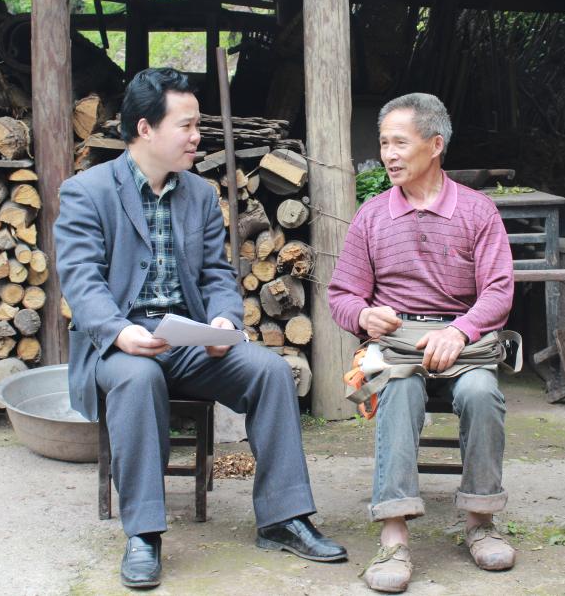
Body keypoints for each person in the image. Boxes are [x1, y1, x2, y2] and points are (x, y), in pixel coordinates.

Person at [55, 67, 347, 589]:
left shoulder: (199, 194)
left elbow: (216, 274)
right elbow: (81, 279)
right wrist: (120, 332)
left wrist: (223, 320)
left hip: (188, 337)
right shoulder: (87, 192)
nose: (197, 136)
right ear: (145, 129)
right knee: (139, 379)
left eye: (197, 125)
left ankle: (283, 519)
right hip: (120, 343)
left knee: (269, 372)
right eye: (186, 125)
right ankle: (143, 534)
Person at [329, 93, 515, 593]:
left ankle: (480, 521)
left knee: (481, 393)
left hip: (462, 341)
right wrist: (363, 315)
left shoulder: (477, 211)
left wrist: (459, 331)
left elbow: (499, 291)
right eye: (383, 144)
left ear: (435, 145)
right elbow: (342, 294)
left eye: (399, 143)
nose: (388, 155)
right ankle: (393, 533)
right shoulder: (371, 216)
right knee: (399, 391)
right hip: (397, 346)